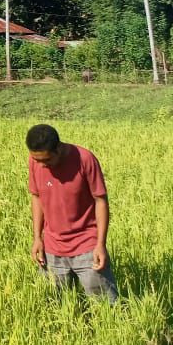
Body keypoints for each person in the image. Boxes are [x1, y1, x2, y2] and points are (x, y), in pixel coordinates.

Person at [26, 124, 118, 303]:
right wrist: (37, 237)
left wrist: (100, 244)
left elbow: (101, 200)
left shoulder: (85, 160)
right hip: (52, 249)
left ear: (58, 149)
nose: (42, 165)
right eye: (36, 160)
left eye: (46, 160)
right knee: (53, 304)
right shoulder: (35, 161)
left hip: (86, 246)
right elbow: (36, 197)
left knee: (106, 306)